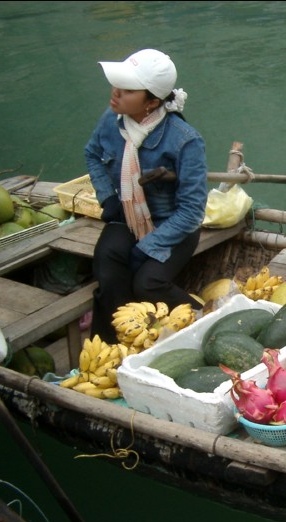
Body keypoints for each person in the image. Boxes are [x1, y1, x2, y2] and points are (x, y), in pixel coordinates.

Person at [85, 48, 207, 343]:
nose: (115, 94)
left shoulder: (185, 140)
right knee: (108, 264)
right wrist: (108, 199)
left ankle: (205, 320)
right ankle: (114, 343)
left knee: (148, 282)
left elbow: (192, 211)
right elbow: (92, 153)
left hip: (172, 225)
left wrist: (146, 247)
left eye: (127, 91)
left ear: (151, 103)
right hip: (127, 214)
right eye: (117, 86)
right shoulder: (112, 119)